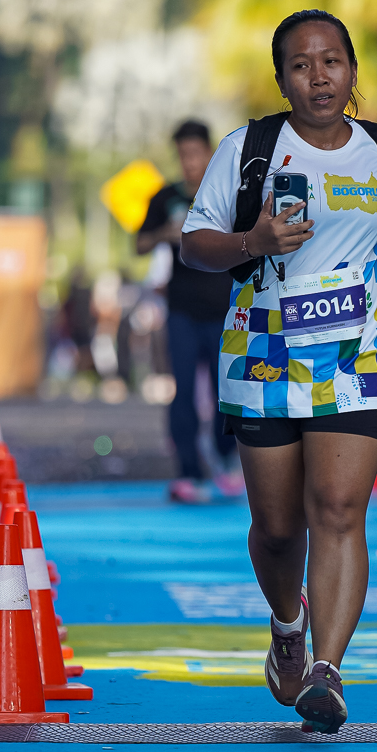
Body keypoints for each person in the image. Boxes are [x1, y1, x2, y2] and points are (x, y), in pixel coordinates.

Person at [179, 8, 377, 733]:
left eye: (332, 62)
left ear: (352, 72)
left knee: (339, 509)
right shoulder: (250, 150)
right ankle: (287, 623)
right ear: (282, 80)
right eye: (301, 65)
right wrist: (252, 240)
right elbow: (195, 245)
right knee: (277, 527)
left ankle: (328, 670)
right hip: (265, 352)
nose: (319, 77)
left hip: (358, 352)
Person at [135, 118, 240, 503]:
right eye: (183, 155)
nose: (190, 162)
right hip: (181, 310)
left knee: (226, 388)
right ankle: (188, 472)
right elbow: (139, 244)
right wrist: (165, 233)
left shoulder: (228, 194)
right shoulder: (164, 198)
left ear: (209, 153)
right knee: (181, 393)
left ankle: (227, 460)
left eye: (196, 153)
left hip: (224, 309)